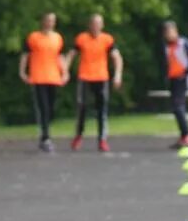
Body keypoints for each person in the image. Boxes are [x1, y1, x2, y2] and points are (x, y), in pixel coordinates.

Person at [65, 13, 123, 152]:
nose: (96, 27)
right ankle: (78, 136)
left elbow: (116, 57)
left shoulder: (107, 39)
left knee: (102, 110)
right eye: (94, 24)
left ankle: (102, 139)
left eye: (99, 24)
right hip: (85, 77)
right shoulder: (82, 38)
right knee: (82, 108)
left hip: (101, 78)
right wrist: (65, 71)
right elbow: (71, 55)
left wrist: (117, 75)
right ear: (89, 25)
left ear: (102, 25)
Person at [19, 13, 68, 152]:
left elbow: (60, 56)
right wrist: (23, 71)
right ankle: (45, 137)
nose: (50, 23)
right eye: (47, 20)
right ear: (42, 22)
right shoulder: (33, 37)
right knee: (43, 107)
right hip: (38, 77)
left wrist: (65, 72)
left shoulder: (58, 38)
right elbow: (25, 55)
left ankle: (45, 133)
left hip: (53, 77)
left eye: (52, 21)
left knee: (51, 108)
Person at [161, 21, 188, 149]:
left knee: (179, 106)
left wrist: (186, 71)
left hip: (182, 78)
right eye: (166, 33)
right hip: (173, 79)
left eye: (170, 32)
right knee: (175, 107)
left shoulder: (183, 43)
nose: (168, 35)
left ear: (175, 31)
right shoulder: (167, 47)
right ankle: (184, 135)